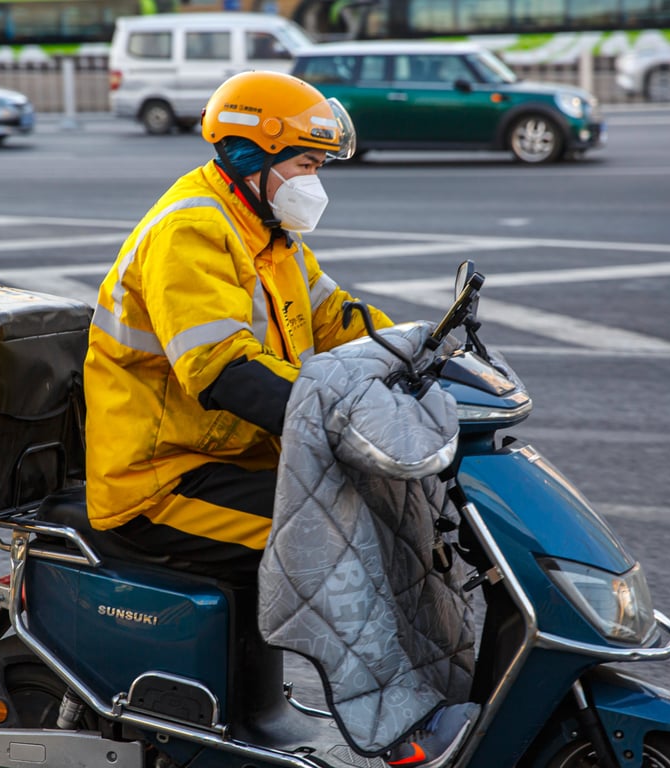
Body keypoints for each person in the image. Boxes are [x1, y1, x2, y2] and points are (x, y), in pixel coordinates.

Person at [82, 70, 476, 768]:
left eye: (319, 165)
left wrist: (424, 356)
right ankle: (396, 734)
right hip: (162, 481)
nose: (313, 180)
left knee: (400, 509)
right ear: (249, 156)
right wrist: (339, 417)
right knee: (339, 543)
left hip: (234, 460)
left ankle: (442, 691)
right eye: (304, 163)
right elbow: (223, 373)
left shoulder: (268, 234)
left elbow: (339, 320)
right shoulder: (193, 231)